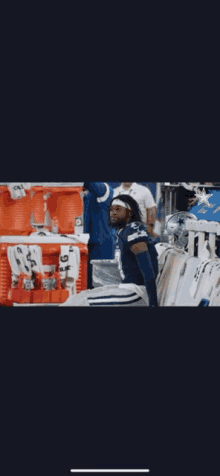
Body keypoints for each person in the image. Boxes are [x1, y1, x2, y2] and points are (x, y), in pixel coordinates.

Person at [61, 194, 159, 307]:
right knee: (80, 296)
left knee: (82, 302)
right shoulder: (124, 231)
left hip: (137, 292)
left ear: (129, 212)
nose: (113, 212)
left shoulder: (134, 230)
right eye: (111, 209)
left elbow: (147, 269)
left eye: (118, 209)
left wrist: (153, 303)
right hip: (128, 287)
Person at [83, 182, 115, 289]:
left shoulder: (104, 189)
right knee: (87, 285)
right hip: (89, 245)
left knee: (101, 287)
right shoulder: (89, 194)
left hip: (102, 246)